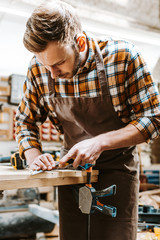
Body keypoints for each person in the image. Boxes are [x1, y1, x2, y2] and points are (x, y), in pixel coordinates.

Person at [15, 1, 160, 239]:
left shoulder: (123, 57)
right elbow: (25, 121)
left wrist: (99, 142)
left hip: (117, 172)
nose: (52, 73)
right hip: (71, 174)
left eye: (59, 63)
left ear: (79, 43)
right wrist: (33, 156)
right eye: (45, 65)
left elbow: (154, 118)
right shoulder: (39, 69)